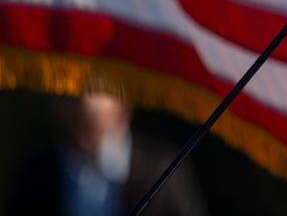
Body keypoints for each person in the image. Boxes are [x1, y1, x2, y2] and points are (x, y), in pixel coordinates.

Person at [6, 90, 208, 216]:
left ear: (123, 104)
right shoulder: (35, 175)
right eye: (68, 94)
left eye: (93, 88)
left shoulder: (164, 171)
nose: (81, 102)